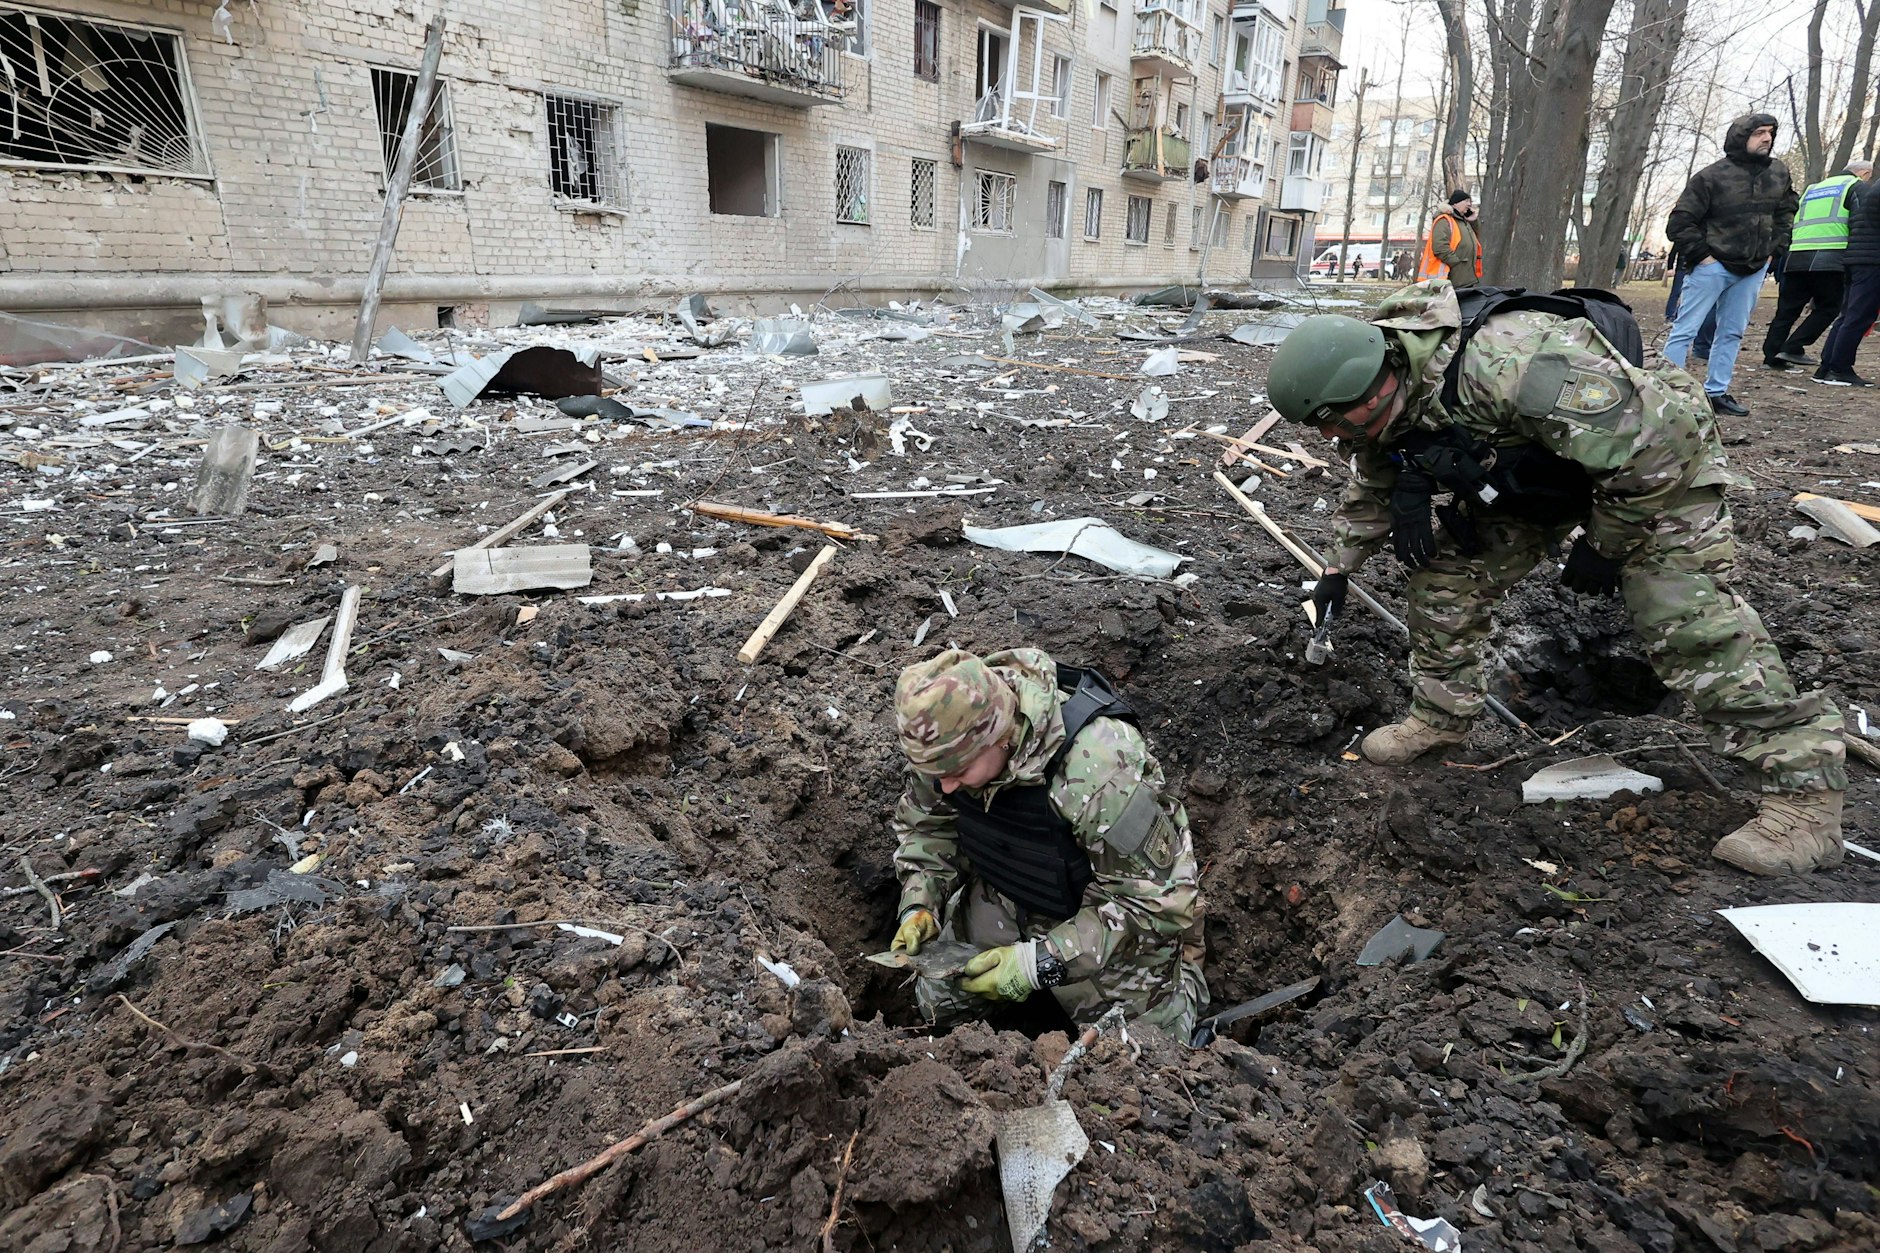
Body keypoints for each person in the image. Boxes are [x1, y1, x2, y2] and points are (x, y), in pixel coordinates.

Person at [1263, 279, 1848, 876]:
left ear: (1371, 384)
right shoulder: (1384, 393)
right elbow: (1371, 478)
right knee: (1444, 578)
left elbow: (1658, 446)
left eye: (1334, 423)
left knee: (1683, 615)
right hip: (1542, 470)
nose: (1331, 438)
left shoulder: (1513, 364)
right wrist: (1337, 567)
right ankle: (1440, 717)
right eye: (1322, 431)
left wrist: (1606, 543)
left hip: (1654, 467)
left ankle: (1803, 799)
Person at [887, 648, 1208, 1036]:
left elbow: (1154, 902)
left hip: (1106, 920)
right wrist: (920, 903)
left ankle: (1184, 970)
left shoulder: (1099, 771)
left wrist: (1039, 963)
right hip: (1009, 889)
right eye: (934, 773)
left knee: (1146, 1056)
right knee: (939, 1003)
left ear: (1000, 736)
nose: (945, 785)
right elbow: (928, 828)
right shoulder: (944, 750)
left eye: (958, 772)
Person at [1663, 113, 1798, 416]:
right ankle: (1668, 392)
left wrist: (1773, 250)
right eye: (1759, 133)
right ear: (1741, 137)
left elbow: (1787, 210)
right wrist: (1704, 258)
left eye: (1770, 133)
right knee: (1685, 330)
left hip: (1753, 268)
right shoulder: (1711, 177)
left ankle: (1716, 392)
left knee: (1732, 332)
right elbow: (1681, 222)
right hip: (1712, 266)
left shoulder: (1778, 173)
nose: (1767, 138)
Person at [1762, 159, 1874, 371]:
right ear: (1864, 173)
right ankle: (1793, 346)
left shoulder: (1813, 189)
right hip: (1831, 257)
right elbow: (1859, 222)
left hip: (1797, 255)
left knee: (1787, 310)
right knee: (1829, 307)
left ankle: (1771, 356)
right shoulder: (1854, 187)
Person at [1813, 160, 1880, 385]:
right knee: (1859, 316)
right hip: (1872, 260)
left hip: (1856, 258)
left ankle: (1826, 367)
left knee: (1849, 315)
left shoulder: (1873, 190)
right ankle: (1839, 368)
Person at [1419, 190, 1482, 287]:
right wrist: (1457, 263)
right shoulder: (1444, 220)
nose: (1469, 204)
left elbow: (1476, 235)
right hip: (1449, 279)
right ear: (1456, 203)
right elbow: (1440, 247)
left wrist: (1473, 220)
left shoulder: (1463, 222)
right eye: (1466, 201)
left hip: (1464, 279)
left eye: (1470, 202)